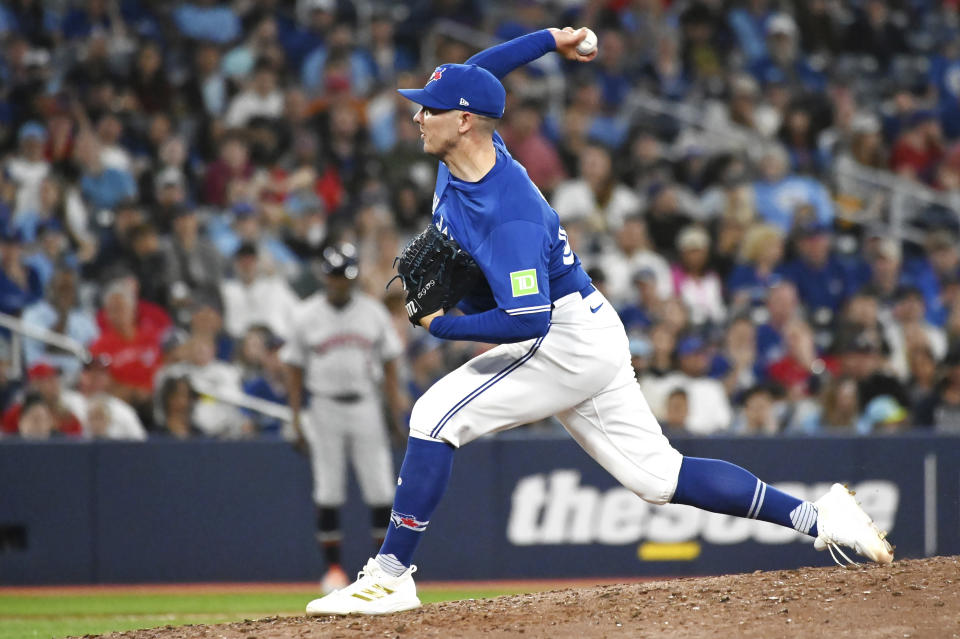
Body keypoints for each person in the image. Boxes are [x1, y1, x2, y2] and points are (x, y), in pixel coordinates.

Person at [305, 27, 894, 617]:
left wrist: (441, 327)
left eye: (427, 110)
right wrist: (549, 39)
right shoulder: (475, 147)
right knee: (660, 477)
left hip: (561, 337)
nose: (417, 117)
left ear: (462, 120)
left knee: (433, 417)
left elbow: (527, 323)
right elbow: (480, 70)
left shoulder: (509, 214)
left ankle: (390, 576)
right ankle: (820, 518)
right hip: (590, 327)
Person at [281, 243, 408, 595]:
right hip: (323, 406)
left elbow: (390, 363)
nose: (340, 283)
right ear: (325, 276)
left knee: (381, 488)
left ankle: (384, 572)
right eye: (336, 277)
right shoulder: (305, 314)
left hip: (367, 403)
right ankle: (334, 570)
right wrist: (295, 418)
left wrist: (394, 414)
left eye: (346, 277)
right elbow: (292, 367)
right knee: (328, 488)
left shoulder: (372, 312)